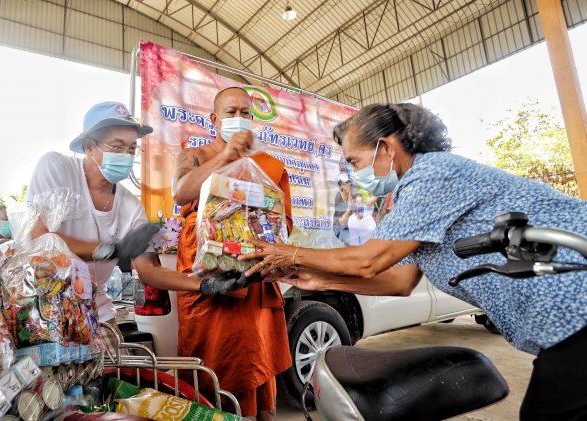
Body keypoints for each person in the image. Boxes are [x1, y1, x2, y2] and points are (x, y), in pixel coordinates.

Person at [240, 103, 587, 421]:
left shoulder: (432, 173)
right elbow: (399, 280)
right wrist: (319, 280)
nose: (350, 172)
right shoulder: (411, 196)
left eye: (353, 161)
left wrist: (292, 253)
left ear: (387, 148)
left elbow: (370, 260)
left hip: (576, 299)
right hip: (561, 323)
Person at [27, 101, 251, 353]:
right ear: (89, 147)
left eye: (132, 148)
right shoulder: (57, 168)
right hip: (43, 310)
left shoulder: (131, 206)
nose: (126, 155)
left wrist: (204, 283)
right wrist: (110, 249)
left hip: (96, 313)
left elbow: (150, 271)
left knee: (111, 384)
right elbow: (40, 241)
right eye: (117, 146)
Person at [172, 87, 292, 420]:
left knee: (257, 363)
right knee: (209, 366)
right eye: (230, 112)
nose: (239, 118)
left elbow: (284, 224)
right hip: (208, 281)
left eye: (245, 112)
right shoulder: (193, 156)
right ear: (214, 119)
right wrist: (225, 157)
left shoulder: (269, 165)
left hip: (252, 277)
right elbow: (180, 193)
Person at [333, 173, 354, 244]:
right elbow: (341, 222)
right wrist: (349, 207)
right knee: (354, 242)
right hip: (340, 229)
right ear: (340, 185)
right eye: (345, 184)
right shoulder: (338, 198)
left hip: (350, 227)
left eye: (349, 183)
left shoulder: (350, 194)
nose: (348, 185)